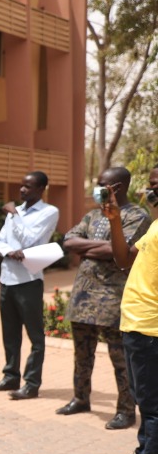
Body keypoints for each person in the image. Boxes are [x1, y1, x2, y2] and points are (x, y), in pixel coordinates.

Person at [58, 167, 150, 429]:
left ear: (117, 187)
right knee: (82, 354)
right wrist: (103, 249)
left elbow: (122, 251)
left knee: (120, 359)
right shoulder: (92, 215)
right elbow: (69, 241)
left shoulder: (137, 216)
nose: (96, 189)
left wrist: (94, 249)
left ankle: (125, 410)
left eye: (101, 185)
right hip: (83, 296)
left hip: (112, 297)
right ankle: (80, 398)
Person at [97, 165, 158, 454]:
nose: (151, 190)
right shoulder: (156, 227)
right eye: (151, 185)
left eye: (156, 185)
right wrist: (115, 221)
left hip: (151, 329)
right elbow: (123, 259)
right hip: (136, 325)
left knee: (152, 405)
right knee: (144, 400)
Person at [0, 171, 59, 400]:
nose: (22, 190)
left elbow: (29, 240)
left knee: (35, 337)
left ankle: (32, 383)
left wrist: (15, 215)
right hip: (7, 279)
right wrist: (10, 251)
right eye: (21, 186)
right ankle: (10, 376)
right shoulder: (16, 211)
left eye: (28, 187)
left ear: (41, 189)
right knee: (10, 333)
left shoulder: (49, 212)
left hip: (29, 281)